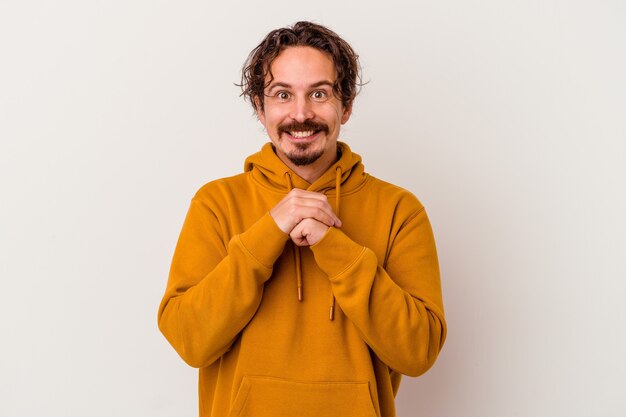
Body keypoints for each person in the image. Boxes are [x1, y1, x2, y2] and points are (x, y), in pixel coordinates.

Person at [158, 21, 446, 417]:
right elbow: (190, 341)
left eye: (319, 93)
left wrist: (336, 249)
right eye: (282, 94)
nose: (300, 113)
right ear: (260, 108)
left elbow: (418, 353)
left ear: (345, 105)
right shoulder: (216, 203)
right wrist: (267, 233)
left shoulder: (399, 210)